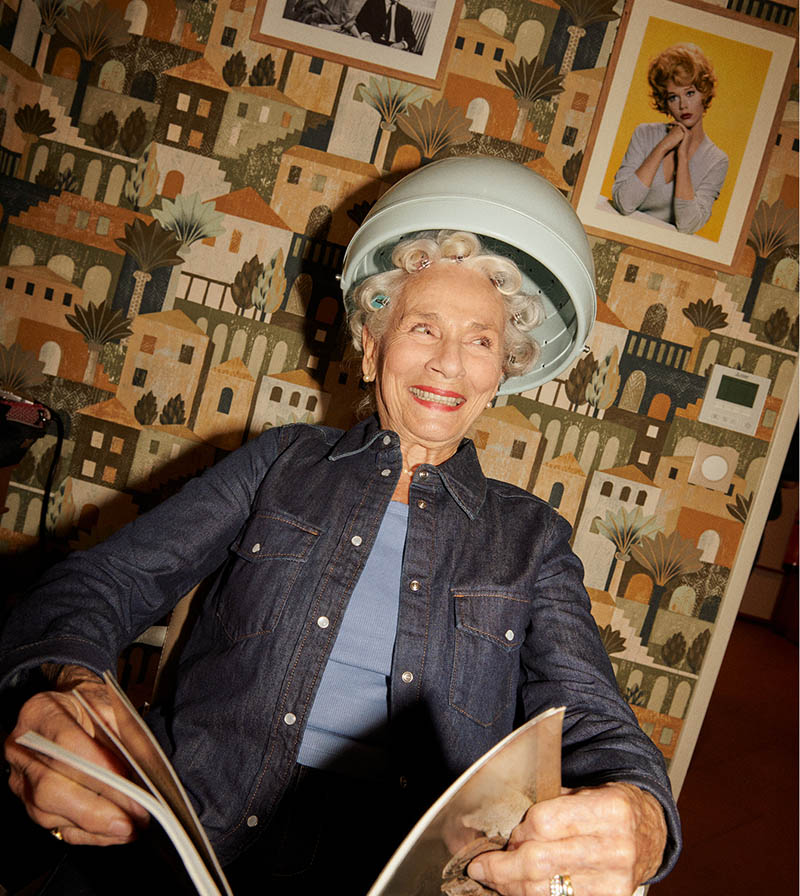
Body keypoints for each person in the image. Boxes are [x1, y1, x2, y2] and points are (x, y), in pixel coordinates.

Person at [0, 230, 680, 896]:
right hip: (196, 821)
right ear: (371, 346)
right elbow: (102, 582)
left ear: (499, 374)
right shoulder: (280, 461)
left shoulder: (532, 537)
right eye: (423, 329)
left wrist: (643, 819)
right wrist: (74, 689)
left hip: (405, 859)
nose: (449, 363)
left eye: (480, 341)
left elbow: (591, 712)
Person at [611, 43, 728, 234]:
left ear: (704, 94)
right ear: (664, 101)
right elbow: (624, 203)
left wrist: (682, 157)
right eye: (673, 97)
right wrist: (663, 146)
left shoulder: (717, 161)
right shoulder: (644, 134)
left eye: (690, 93)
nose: (683, 105)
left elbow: (688, 225)